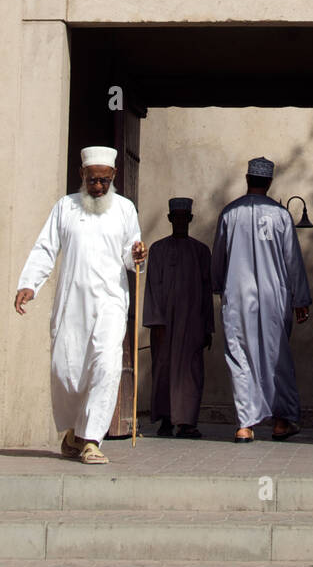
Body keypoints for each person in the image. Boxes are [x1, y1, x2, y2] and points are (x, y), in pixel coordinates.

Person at [14, 145, 147, 464]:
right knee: (67, 369)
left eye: (104, 180)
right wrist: (29, 283)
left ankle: (90, 439)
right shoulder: (65, 207)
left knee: (106, 365)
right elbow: (46, 248)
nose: (98, 187)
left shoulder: (125, 209)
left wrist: (138, 255)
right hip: (71, 305)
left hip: (110, 304)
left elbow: (131, 255)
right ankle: (74, 433)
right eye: (92, 180)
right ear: (82, 175)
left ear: (113, 176)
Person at [211, 156, 311, 443]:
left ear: (247, 179)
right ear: (269, 182)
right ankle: (281, 421)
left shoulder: (230, 214)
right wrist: (300, 298)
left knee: (239, 355)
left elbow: (219, 256)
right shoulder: (280, 215)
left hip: (238, 295)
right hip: (274, 295)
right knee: (277, 356)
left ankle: (245, 425)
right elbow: (293, 260)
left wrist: (218, 286)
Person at [143, 197, 214, 439]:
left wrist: (207, 327)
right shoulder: (158, 250)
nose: (181, 222)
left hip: (193, 323)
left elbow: (206, 291)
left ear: (190, 219)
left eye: (185, 217)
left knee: (191, 372)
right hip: (163, 324)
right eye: (177, 218)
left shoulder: (201, 252)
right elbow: (151, 288)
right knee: (163, 370)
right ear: (170, 219)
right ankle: (165, 420)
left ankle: (187, 423)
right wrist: (156, 322)